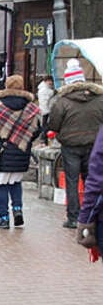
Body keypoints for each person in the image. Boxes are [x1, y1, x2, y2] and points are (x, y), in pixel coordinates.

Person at [0, 75, 41, 229]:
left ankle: (4, 218)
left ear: (6, 86)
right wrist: (24, 140)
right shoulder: (31, 107)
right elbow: (37, 130)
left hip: (2, 151)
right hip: (21, 151)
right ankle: (18, 211)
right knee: (15, 182)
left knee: (2, 185)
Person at [49, 59, 103, 229]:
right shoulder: (99, 99)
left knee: (72, 181)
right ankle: (92, 216)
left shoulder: (62, 101)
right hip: (94, 145)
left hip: (70, 146)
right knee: (91, 180)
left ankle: (73, 217)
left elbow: (54, 124)